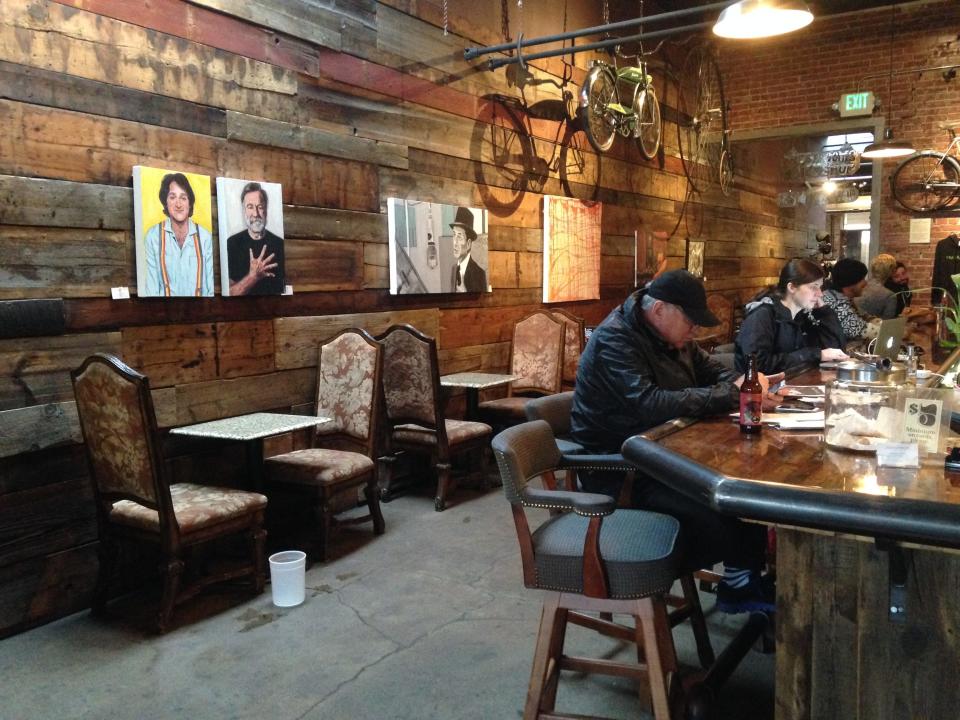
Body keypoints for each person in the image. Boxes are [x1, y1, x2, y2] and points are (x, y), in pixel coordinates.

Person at [570, 270, 780, 614]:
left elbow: (713, 370)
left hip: (663, 453)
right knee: (722, 513)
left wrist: (744, 383)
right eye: (691, 321)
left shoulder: (670, 336)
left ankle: (741, 582)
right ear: (660, 310)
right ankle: (735, 584)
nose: (696, 330)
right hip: (621, 469)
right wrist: (730, 394)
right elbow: (648, 403)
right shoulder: (615, 339)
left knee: (747, 495)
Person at [735, 258, 848, 374]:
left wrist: (824, 312)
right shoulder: (762, 316)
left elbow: (835, 351)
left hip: (795, 386)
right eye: (814, 287)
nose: (820, 293)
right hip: (761, 390)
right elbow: (757, 366)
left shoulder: (800, 317)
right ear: (792, 287)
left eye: (820, 287)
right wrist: (813, 354)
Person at [144, 173, 214, 297]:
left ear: (190, 203)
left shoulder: (205, 237)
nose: (178, 204)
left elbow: (210, 290)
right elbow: (151, 289)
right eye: (172, 197)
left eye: (183, 197)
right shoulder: (153, 236)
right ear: (165, 201)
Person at [227, 182, 285, 296]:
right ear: (244, 210)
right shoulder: (231, 244)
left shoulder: (279, 244)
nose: (256, 213)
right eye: (250, 207)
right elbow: (230, 292)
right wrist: (253, 277)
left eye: (260, 207)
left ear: (266, 209)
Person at [821, 257, 877, 345]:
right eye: (862, 279)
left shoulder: (837, 296)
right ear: (850, 281)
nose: (865, 283)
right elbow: (861, 330)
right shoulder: (837, 303)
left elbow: (865, 317)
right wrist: (898, 332)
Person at [449, 207, 486, 292]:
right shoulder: (454, 269)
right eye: (454, 235)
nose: (455, 242)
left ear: (468, 244)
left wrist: (465, 292)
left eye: (459, 236)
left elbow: (482, 302)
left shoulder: (479, 273)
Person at [856, 253, 898, 319]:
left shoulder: (858, 287)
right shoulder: (890, 296)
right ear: (891, 271)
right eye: (894, 268)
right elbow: (886, 325)